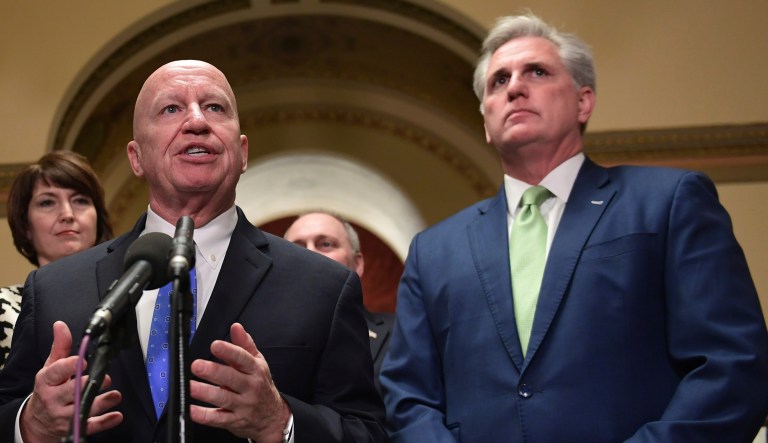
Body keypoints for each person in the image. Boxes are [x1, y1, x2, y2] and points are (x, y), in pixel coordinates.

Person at [380, 13, 768, 443]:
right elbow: (408, 394)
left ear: (584, 101)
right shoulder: (434, 250)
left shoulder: (668, 202)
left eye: (538, 72)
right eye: (499, 81)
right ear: (486, 121)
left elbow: (732, 364)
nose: (515, 87)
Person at [0, 60, 386, 443]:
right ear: (136, 157)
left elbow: (367, 433)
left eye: (215, 107)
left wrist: (280, 422)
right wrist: (30, 424)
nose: (197, 121)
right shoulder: (54, 289)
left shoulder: (324, 287)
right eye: (171, 109)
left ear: (243, 151)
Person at [0, 151, 113, 369]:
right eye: (47, 203)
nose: (67, 214)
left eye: (80, 200)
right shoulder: (4, 307)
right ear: (26, 227)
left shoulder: (133, 298)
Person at [283, 211, 395, 395]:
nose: (310, 254)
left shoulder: (401, 334)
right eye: (297, 247)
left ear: (357, 264)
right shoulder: (253, 339)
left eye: (326, 244)